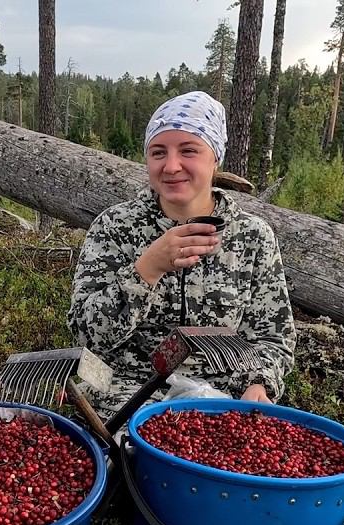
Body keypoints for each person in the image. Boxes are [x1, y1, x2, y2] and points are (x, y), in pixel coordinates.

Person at [68, 91, 296, 417]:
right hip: (119, 388)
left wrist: (260, 382)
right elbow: (86, 335)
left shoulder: (252, 237)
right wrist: (146, 269)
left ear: (215, 157)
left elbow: (273, 337)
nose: (171, 166)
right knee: (135, 457)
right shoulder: (114, 226)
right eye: (158, 152)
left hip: (218, 393)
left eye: (188, 150)